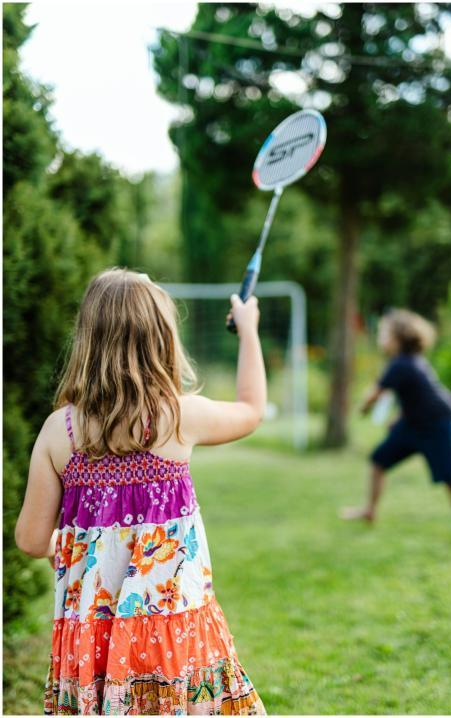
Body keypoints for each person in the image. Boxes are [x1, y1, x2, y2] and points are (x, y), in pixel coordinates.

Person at [15, 268, 267, 715]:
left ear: (88, 339)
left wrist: (67, 545)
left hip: (94, 639)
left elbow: (31, 540)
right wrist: (247, 331)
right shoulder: (178, 417)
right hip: (173, 635)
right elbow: (250, 409)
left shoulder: (61, 431)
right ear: (161, 339)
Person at [341, 308, 451, 548]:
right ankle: (370, 511)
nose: (380, 337)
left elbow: (375, 394)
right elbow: (414, 395)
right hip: (412, 423)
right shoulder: (408, 363)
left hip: (437, 424)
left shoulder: (401, 364)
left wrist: (362, 408)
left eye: (384, 333)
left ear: (398, 338)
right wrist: (400, 417)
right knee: (379, 460)